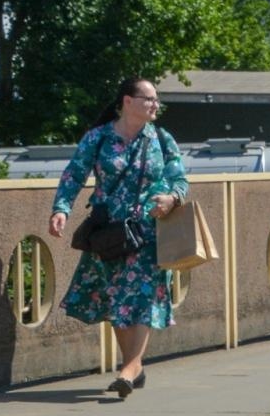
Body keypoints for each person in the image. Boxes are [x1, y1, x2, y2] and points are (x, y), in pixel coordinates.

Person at [48, 78, 189, 399]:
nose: (156, 105)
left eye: (157, 100)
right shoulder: (98, 138)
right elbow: (74, 173)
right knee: (117, 300)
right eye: (149, 99)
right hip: (109, 234)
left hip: (149, 233)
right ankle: (134, 367)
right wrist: (61, 209)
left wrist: (171, 199)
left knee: (139, 298)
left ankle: (128, 369)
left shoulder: (162, 139)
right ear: (127, 101)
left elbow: (179, 179)